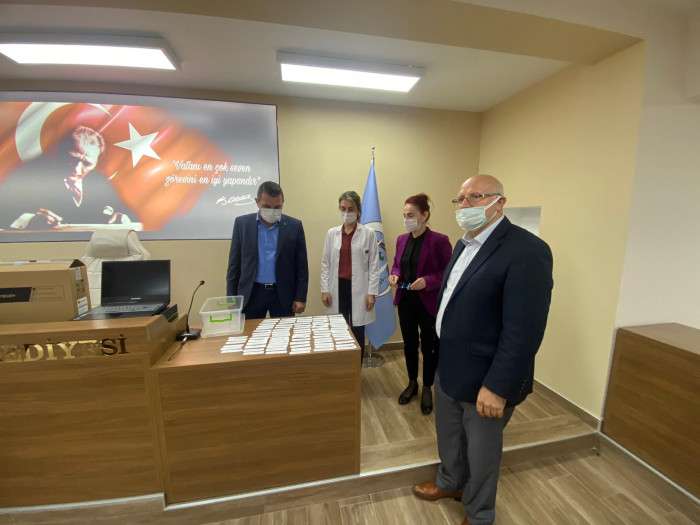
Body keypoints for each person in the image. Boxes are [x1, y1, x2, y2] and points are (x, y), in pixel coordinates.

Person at [413, 175, 553, 525]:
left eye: (475, 197)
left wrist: (498, 387)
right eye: (460, 199)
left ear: (499, 203)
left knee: (481, 452)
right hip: (450, 365)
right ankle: (450, 482)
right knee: (449, 436)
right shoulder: (464, 245)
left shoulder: (527, 251)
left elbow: (524, 331)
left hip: (487, 378)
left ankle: (479, 514)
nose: (464, 206)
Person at [389, 193, 452, 415]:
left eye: (411, 215)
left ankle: (427, 387)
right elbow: (397, 264)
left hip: (428, 303)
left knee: (429, 347)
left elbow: (447, 272)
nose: (407, 219)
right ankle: (412, 383)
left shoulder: (439, 241)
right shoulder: (401, 239)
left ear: (424, 215)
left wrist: (427, 281)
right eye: (404, 215)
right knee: (409, 344)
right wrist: (394, 274)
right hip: (406, 300)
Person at [2, 126, 136, 229]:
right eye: (71, 159)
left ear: (97, 162)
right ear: (59, 154)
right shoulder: (31, 177)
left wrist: (123, 217)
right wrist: (28, 220)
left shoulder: (99, 182)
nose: (77, 169)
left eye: (87, 164)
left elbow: (130, 214)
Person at [226, 181, 309, 319]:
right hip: (251, 293)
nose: (272, 211)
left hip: (282, 294)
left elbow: (302, 267)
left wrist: (300, 297)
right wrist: (231, 297)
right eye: (267, 206)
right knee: (250, 332)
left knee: (284, 332)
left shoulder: (294, 226)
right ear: (257, 202)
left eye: (277, 207)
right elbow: (234, 265)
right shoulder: (242, 224)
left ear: (283, 203)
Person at [320, 191, 380, 360]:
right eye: (343, 208)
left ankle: (356, 368)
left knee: (357, 329)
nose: (346, 212)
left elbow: (374, 266)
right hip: (337, 287)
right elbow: (325, 263)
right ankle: (341, 366)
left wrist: (371, 293)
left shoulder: (368, 233)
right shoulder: (332, 233)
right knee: (338, 329)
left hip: (359, 289)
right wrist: (324, 289)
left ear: (358, 210)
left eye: (351, 209)